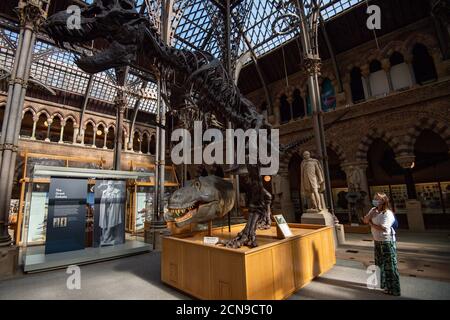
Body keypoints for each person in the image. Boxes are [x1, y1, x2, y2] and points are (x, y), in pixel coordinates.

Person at [363, 192, 401, 296]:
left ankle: (394, 289)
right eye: (374, 198)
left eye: (377, 198)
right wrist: (370, 216)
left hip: (387, 240)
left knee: (390, 265)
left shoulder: (387, 213)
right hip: (377, 240)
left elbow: (383, 228)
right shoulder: (373, 210)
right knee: (381, 264)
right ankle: (385, 284)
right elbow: (365, 220)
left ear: (383, 201)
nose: (374, 200)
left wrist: (371, 223)